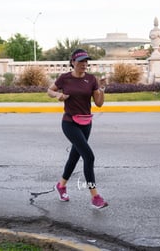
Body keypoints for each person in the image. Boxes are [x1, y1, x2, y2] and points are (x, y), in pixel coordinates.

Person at [47, 49, 108, 209]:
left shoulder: (91, 79)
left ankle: (61, 185)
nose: (84, 64)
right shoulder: (65, 78)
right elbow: (49, 90)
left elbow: (99, 103)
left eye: (86, 61)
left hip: (86, 123)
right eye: (80, 61)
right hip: (69, 123)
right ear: (73, 62)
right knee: (89, 156)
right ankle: (95, 197)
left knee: (74, 157)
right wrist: (57, 96)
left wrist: (101, 89)